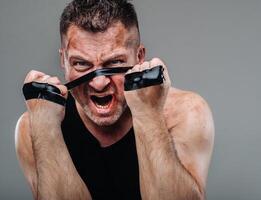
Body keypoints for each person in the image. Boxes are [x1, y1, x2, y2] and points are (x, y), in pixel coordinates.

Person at [15, 0, 215, 199]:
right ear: (63, 61)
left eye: (115, 62)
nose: (99, 83)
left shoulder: (186, 112)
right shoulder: (32, 126)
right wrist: (45, 128)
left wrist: (148, 113)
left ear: (139, 58)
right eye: (81, 64)